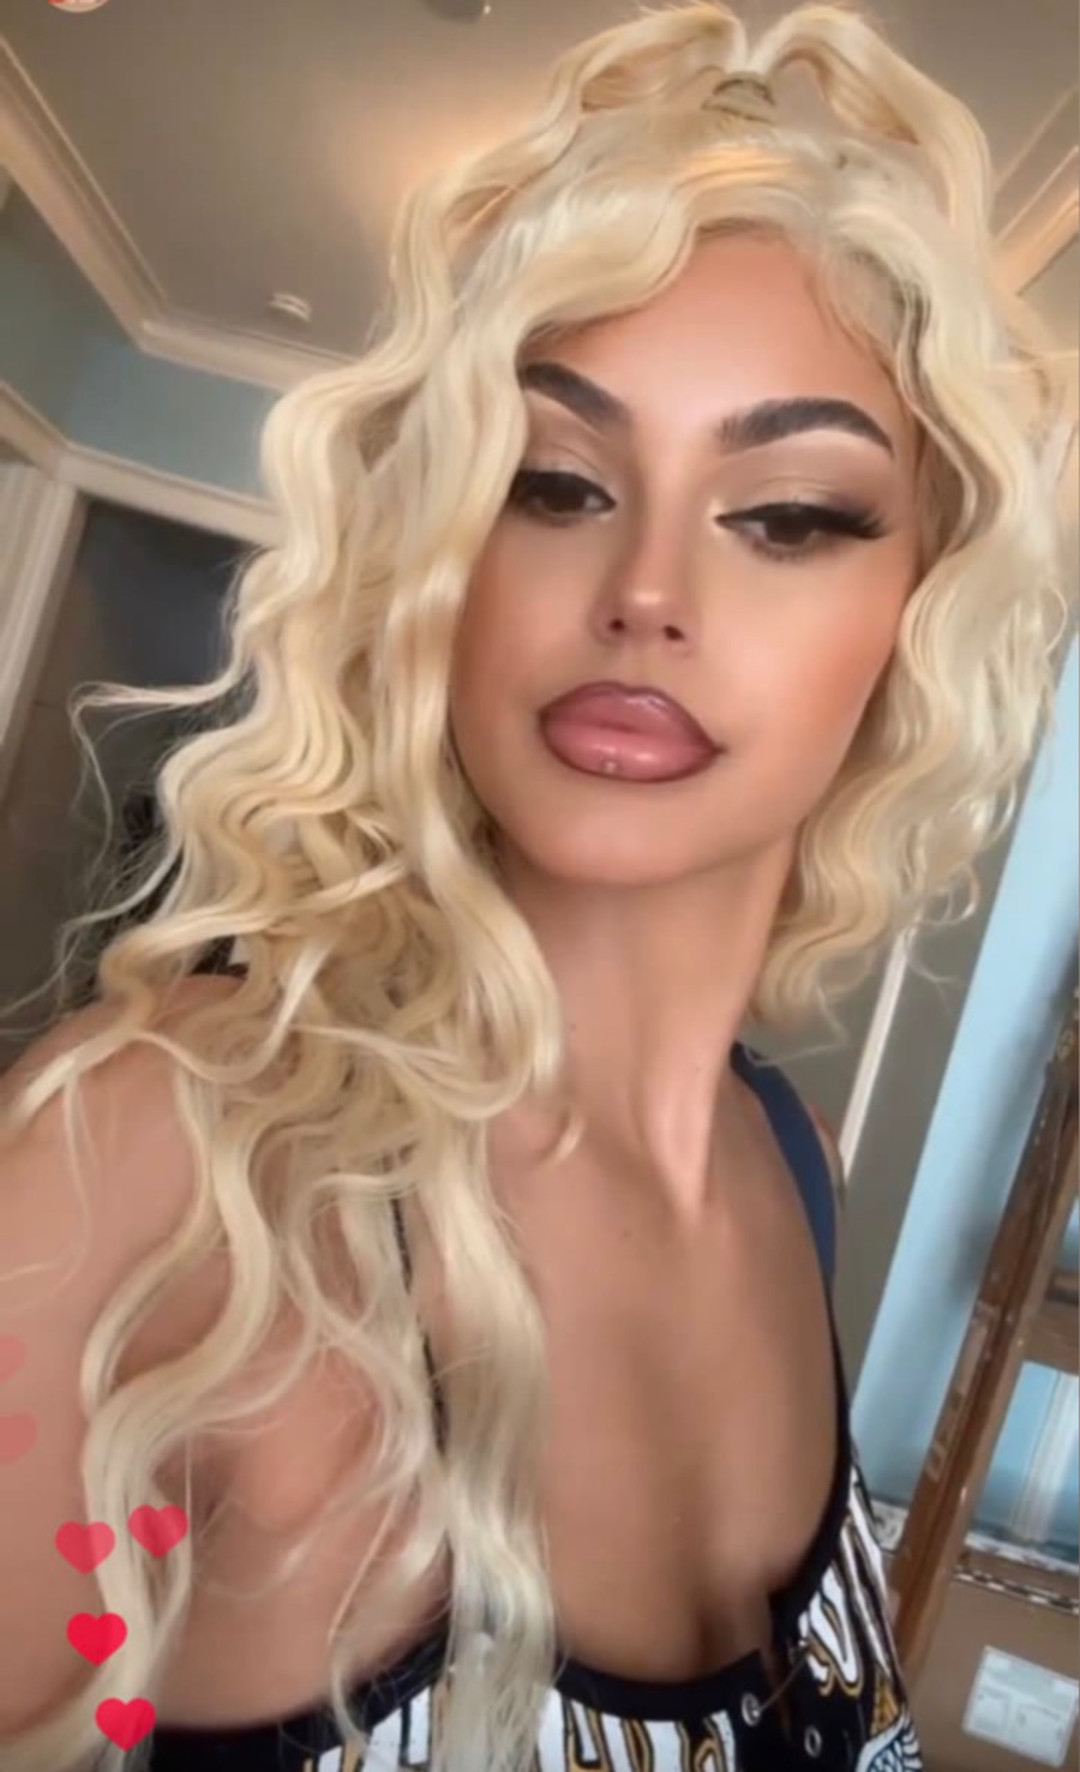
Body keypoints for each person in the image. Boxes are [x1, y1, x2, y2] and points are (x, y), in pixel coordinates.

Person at [0, 4, 1071, 1770]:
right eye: (552, 482)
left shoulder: (794, 1167)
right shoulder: (169, 1149)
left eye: (789, 514)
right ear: (442, 558)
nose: (644, 588)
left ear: (917, 619)